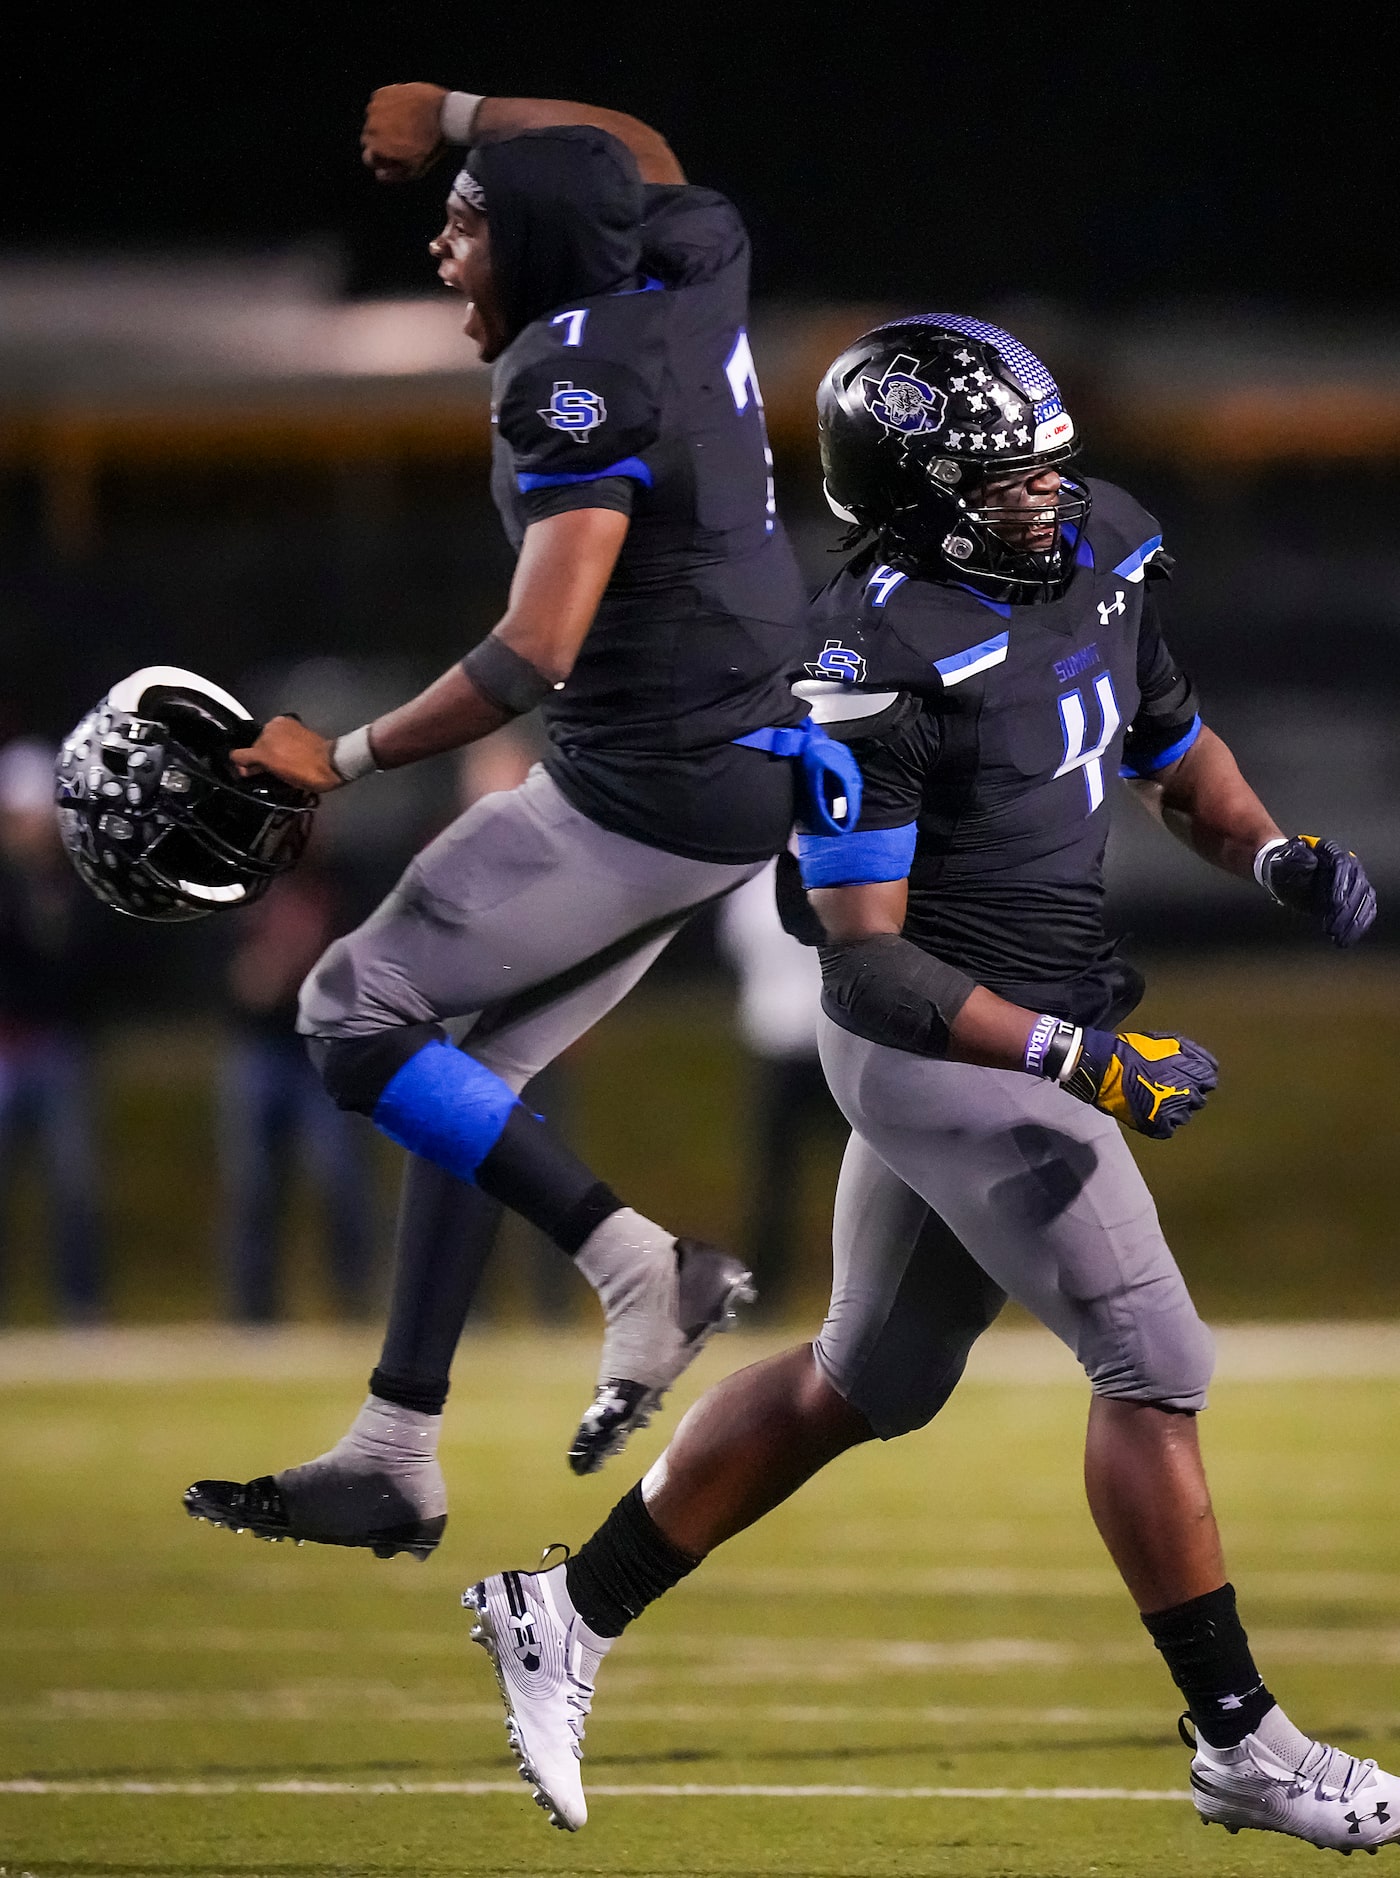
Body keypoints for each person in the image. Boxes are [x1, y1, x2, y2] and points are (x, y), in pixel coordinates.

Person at [457, 316, 1400, 1856]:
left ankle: (563, 1607)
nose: (1045, 494)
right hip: (942, 1045)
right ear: (908, 492)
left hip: (1035, 1018)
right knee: (1151, 1359)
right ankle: (1240, 1738)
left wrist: (1266, 849)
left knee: (870, 1381)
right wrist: (1079, 1060)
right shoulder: (865, 658)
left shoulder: (1102, 548)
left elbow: (1171, 748)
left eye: (1048, 463)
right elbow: (864, 964)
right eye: (1001, 477)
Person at [184, 84, 858, 1558]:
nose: (439, 249)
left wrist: (339, 754)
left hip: (648, 777)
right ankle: (394, 1447)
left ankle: (640, 1267)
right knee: (464, 1083)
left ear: (539, 253)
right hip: (739, 755)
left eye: (467, 223)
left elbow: (535, 647)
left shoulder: (569, 383)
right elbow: (652, 159)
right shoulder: (686, 268)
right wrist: (466, 113)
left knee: (348, 1013)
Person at [217, 848, 376, 1323]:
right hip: (260, 1045)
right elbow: (226, 972)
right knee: (254, 1185)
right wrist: (256, 976)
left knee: (342, 1179)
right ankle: (253, 1314)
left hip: (323, 1051)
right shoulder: (237, 877)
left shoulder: (340, 878)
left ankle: (352, 1304)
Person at [0, 737, 107, 1322]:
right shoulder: (12, 889)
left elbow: (89, 970)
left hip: (60, 1045)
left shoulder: (78, 883)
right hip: (6, 1044)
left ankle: (81, 1310)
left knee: (74, 1186)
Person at [718, 857, 842, 1312]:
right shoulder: (755, 870)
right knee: (773, 1181)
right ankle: (767, 1293)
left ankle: (889, 1289)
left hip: (836, 1040)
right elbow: (738, 940)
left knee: (875, 1173)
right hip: (776, 1043)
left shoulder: (839, 853)